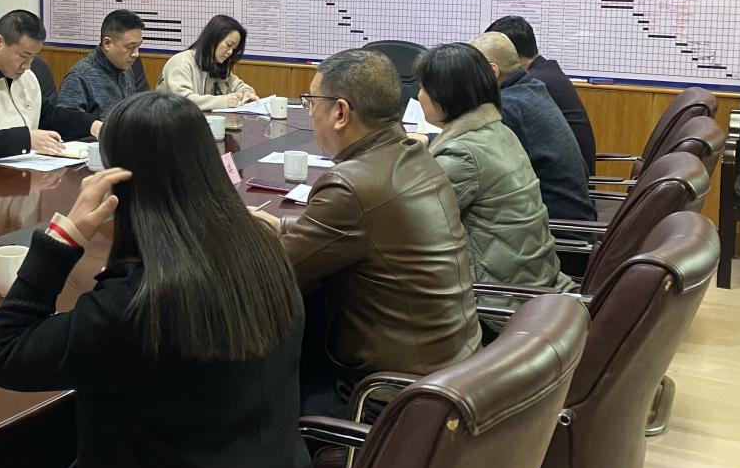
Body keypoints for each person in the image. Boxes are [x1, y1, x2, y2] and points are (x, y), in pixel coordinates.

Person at [0, 92, 312, 468]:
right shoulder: (263, 251)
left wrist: (62, 238)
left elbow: (3, 355)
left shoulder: (140, 299)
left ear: (118, 183)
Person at [251, 49, 481, 413]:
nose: (309, 113)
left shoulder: (349, 185)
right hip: (453, 366)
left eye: (312, 102)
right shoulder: (413, 154)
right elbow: (371, 229)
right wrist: (283, 225)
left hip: (391, 391)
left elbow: (273, 278)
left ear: (340, 113)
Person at [413, 43, 575, 332]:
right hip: (535, 285)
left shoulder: (462, 155)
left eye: (424, 87)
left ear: (446, 95)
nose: (418, 95)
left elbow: (411, 224)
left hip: (497, 305)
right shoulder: (499, 132)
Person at [0, 9, 98, 166]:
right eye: (23, 56)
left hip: (26, 170)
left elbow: (48, 116)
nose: (27, 66)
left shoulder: (26, 76)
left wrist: (91, 125)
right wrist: (26, 140)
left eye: (33, 57)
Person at [470, 32, 596, 223]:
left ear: (492, 71)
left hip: (557, 230)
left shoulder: (510, 107)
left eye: (470, 72)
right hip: (569, 219)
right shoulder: (532, 88)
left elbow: (475, 161)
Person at [486, 15, 597, 174]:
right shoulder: (546, 71)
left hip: (563, 180)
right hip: (571, 175)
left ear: (508, 52)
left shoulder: (531, 84)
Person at [56, 9, 149, 120]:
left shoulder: (124, 66)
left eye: (138, 46)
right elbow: (67, 122)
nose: (136, 54)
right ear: (107, 43)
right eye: (130, 47)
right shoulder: (79, 77)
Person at [156, 14, 258, 110]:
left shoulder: (217, 65)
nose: (230, 52)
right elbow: (182, 101)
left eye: (234, 49)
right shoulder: (181, 62)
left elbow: (238, 85)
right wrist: (222, 101)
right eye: (228, 45)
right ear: (213, 39)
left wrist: (247, 93)